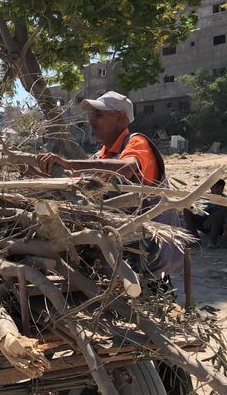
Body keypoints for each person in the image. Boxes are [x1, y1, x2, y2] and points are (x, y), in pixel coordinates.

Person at [37, 91, 191, 395]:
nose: (91, 120)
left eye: (99, 114)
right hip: (113, 264)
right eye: (92, 114)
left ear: (120, 117)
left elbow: (130, 168)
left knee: (158, 347)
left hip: (146, 266)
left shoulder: (137, 144)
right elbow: (77, 186)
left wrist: (68, 164)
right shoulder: (100, 157)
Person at [183, 179, 227, 248]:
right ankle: (195, 238)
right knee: (187, 209)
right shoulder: (205, 197)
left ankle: (212, 241)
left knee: (219, 209)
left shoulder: (224, 199)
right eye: (217, 187)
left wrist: (211, 217)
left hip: (218, 226)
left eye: (221, 188)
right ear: (211, 187)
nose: (219, 190)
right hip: (205, 224)